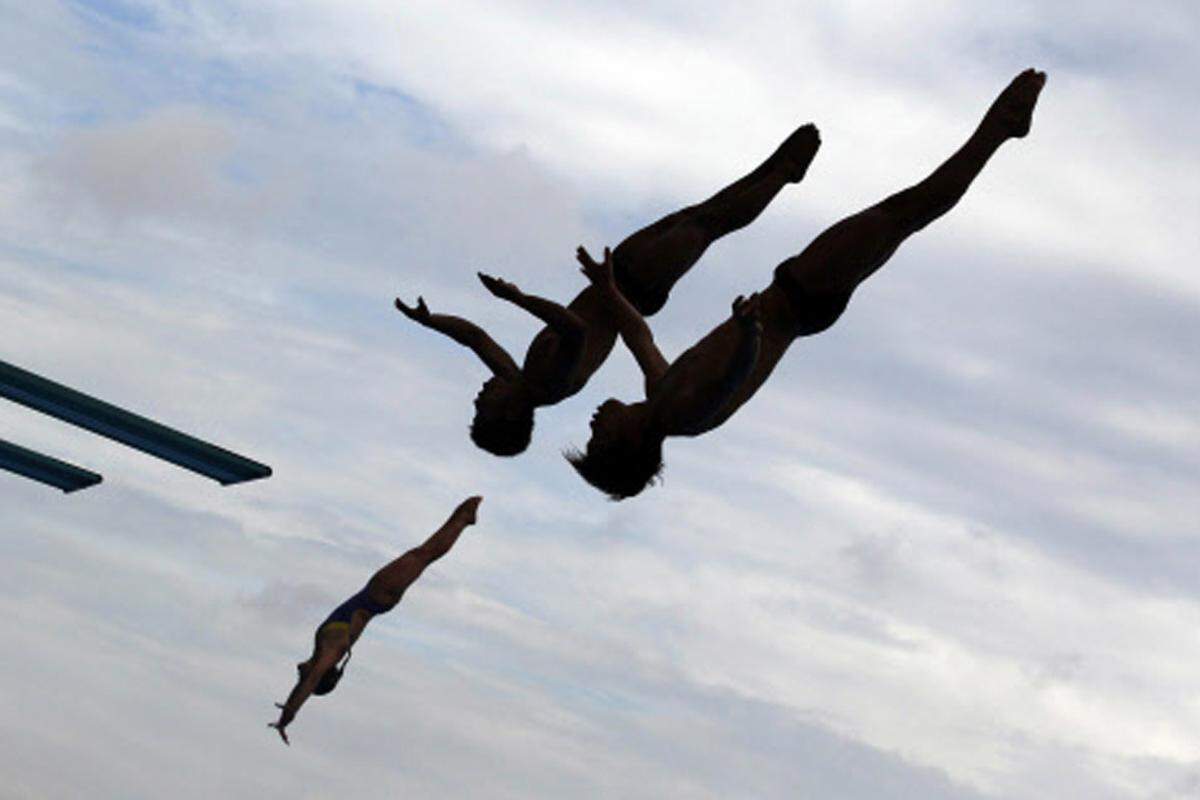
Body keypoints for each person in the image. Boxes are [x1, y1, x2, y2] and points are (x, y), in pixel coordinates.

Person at [569, 69, 1047, 499]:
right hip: (801, 300)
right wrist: (749, 337)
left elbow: (640, 337)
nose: (594, 423)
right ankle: (1001, 129)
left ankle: (997, 128)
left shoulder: (664, 395)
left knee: (903, 213)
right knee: (906, 212)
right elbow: (729, 383)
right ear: (626, 444)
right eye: (598, 437)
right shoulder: (684, 415)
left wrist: (609, 289)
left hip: (794, 296)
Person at [394, 123, 822, 456]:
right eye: (481, 407)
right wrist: (518, 299)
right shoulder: (550, 383)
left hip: (617, 278)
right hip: (633, 286)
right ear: (508, 414)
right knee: (708, 224)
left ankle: (776, 167)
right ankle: (782, 174)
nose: (478, 397)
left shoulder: (517, 376)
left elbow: (475, 337)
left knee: (701, 216)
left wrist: (429, 321)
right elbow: (575, 331)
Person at [268, 495, 482, 744]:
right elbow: (311, 680)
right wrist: (288, 714)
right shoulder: (330, 651)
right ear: (318, 675)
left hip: (377, 598)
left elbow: (311, 680)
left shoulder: (325, 649)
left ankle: (463, 518)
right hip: (377, 595)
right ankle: (464, 518)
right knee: (424, 554)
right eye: (300, 678)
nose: (298, 672)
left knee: (424, 555)